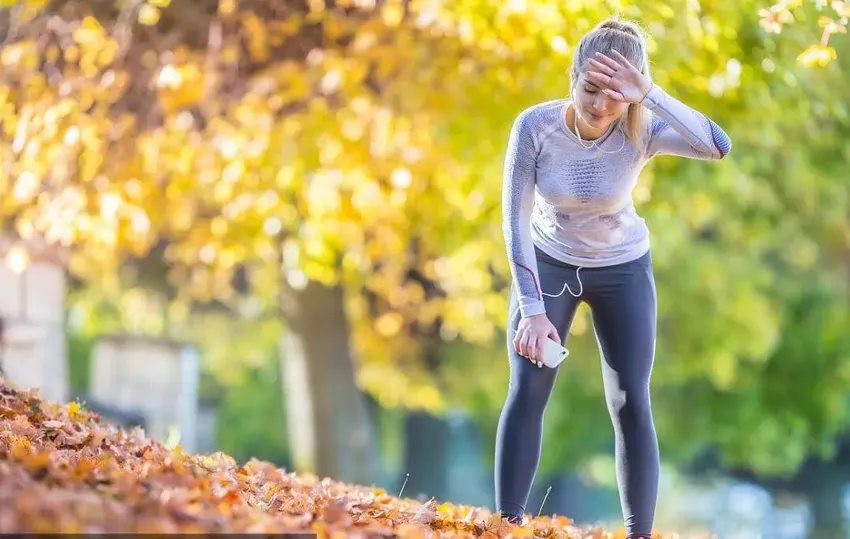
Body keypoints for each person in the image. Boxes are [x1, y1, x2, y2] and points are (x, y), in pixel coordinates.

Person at [493, 16, 732, 539]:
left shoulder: (640, 128)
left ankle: (638, 534)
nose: (601, 105)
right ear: (572, 76)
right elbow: (514, 220)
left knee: (630, 400)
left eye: (616, 95)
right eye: (591, 88)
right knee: (528, 387)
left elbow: (718, 146)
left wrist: (648, 93)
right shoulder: (534, 127)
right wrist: (531, 310)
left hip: (622, 268)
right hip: (548, 264)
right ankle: (504, 527)